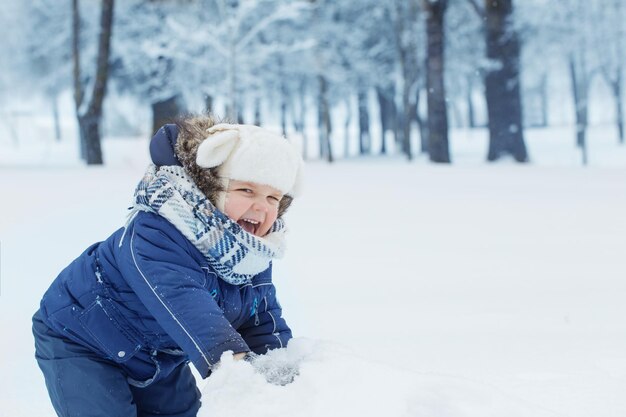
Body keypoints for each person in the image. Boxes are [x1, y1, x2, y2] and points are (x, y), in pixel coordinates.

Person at [32, 115, 303, 417]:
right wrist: (237, 364)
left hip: (156, 351)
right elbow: (186, 305)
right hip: (82, 338)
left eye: (273, 197)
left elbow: (261, 317)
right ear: (211, 187)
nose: (261, 206)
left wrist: (284, 374)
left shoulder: (248, 251)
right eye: (246, 191)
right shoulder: (158, 232)